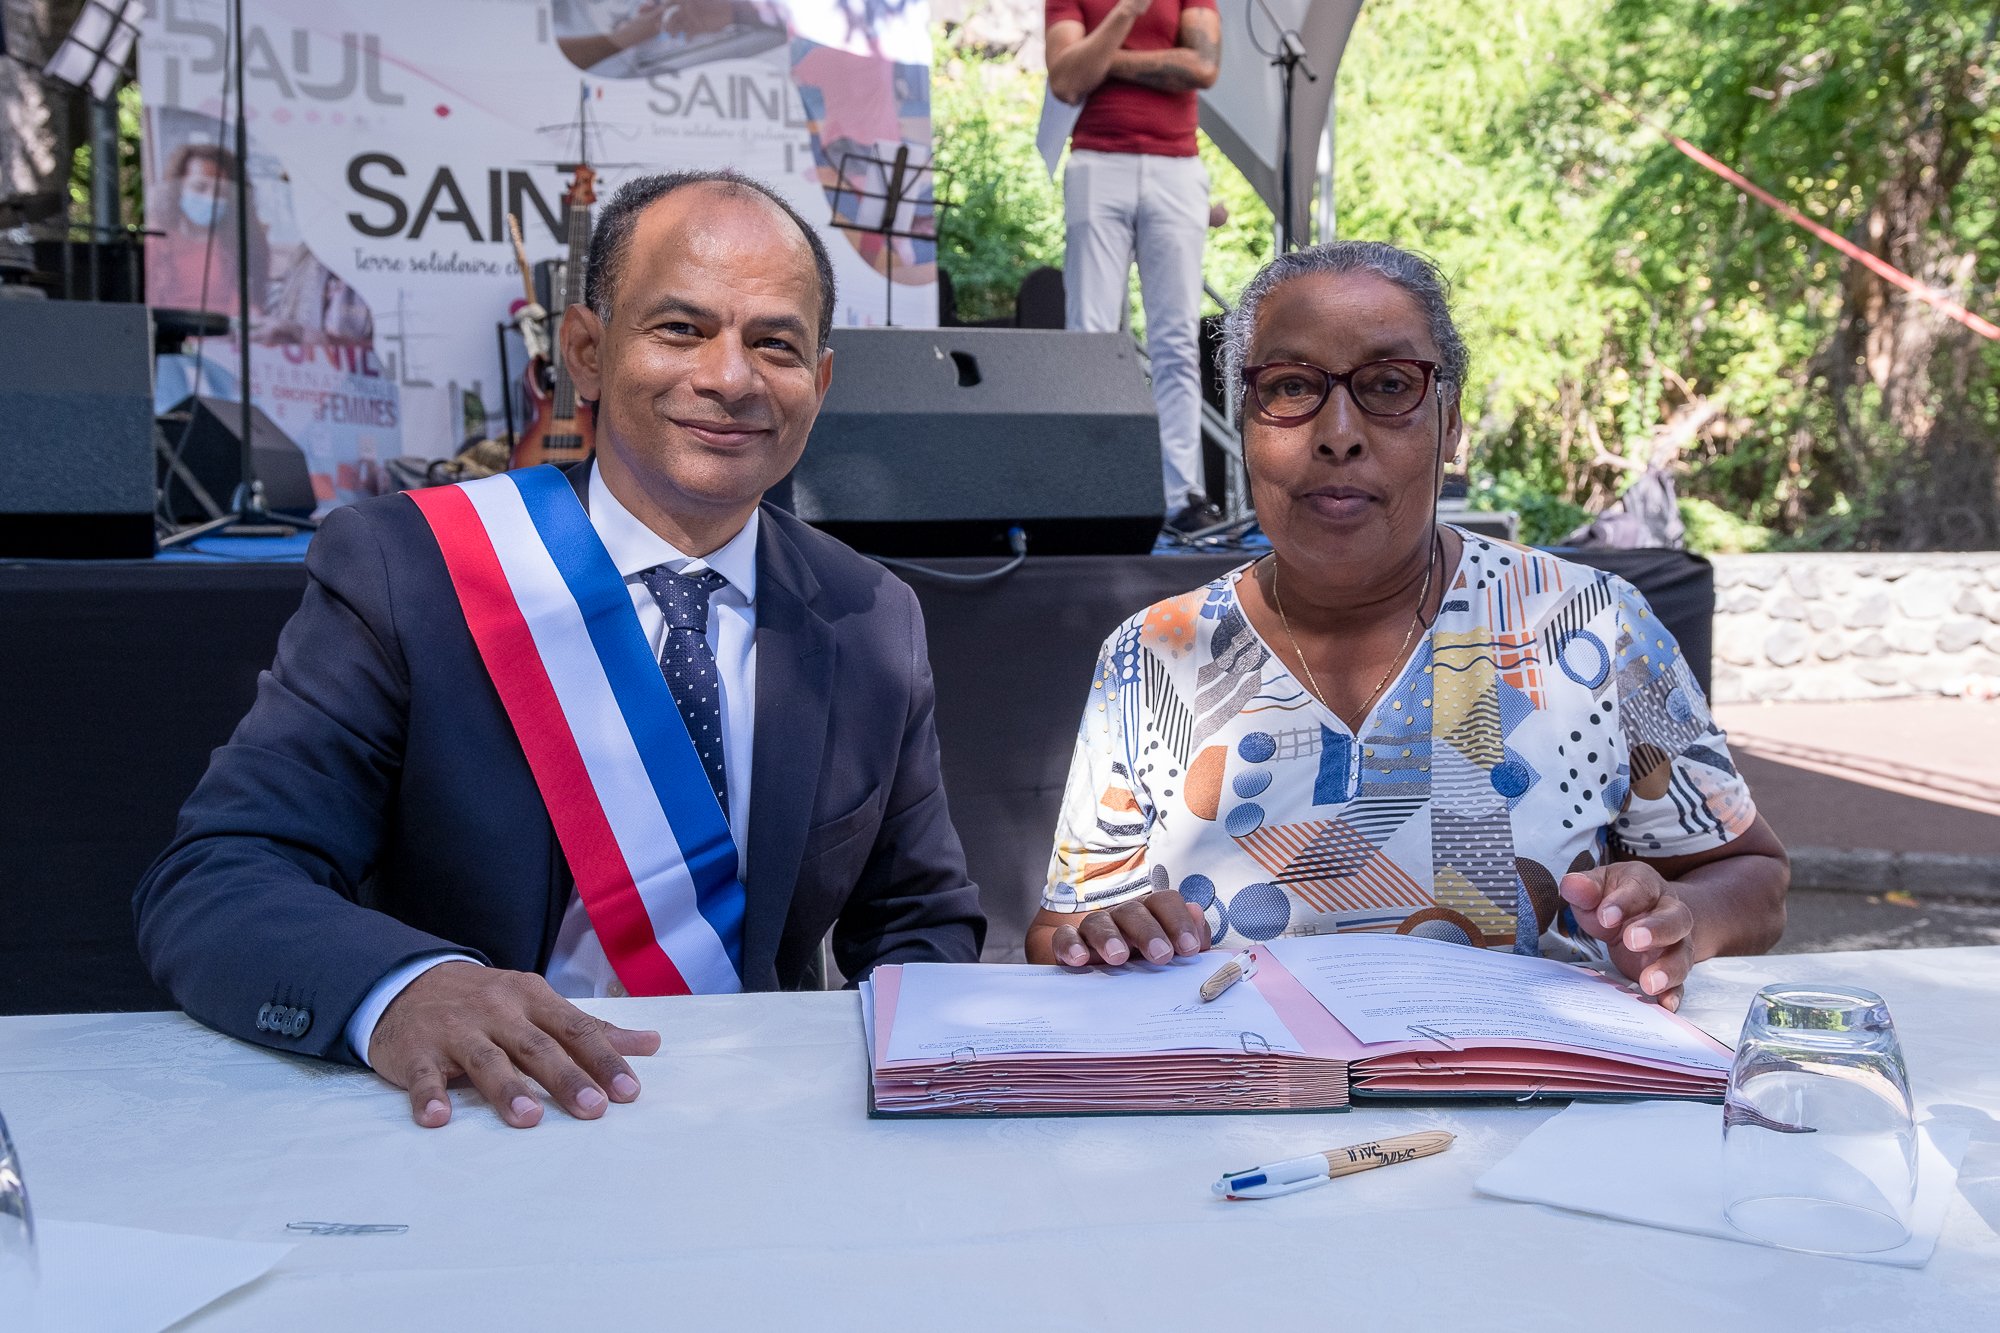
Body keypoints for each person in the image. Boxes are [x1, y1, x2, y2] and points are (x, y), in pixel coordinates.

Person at [135, 170, 986, 1129]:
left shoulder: (871, 614)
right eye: (679, 329)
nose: (731, 376)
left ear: (819, 384)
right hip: (489, 1124)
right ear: (584, 351)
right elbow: (221, 876)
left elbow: (918, 922)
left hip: (758, 1133)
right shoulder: (411, 571)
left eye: (774, 344)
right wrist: (408, 989)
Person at [1026, 241, 1788, 1010]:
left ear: (1450, 424)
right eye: (1291, 387)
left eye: (1389, 385)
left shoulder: (1591, 624)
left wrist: (1681, 922)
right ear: (1247, 426)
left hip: (1536, 1114)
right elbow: (1062, 926)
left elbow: (1754, 875)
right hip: (1237, 1107)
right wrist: (1108, 932)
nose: (1338, 432)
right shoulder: (1153, 655)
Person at [1046, 0, 1222, 534]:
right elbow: (1066, 80)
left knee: (1175, 341)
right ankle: (1090, 489)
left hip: (1177, 167)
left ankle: (1181, 494)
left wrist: (1104, 58)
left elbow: (1202, 68)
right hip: (1097, 162)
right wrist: (1125, 13)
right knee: (1091, 340)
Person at [145, 142, 271, 318]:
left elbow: (250, 304)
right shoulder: (154, 239)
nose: (210, 198)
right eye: (200, 187)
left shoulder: (243, 241)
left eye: (220, 191)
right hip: (167, 339)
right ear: (178, 188)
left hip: (225, 339)